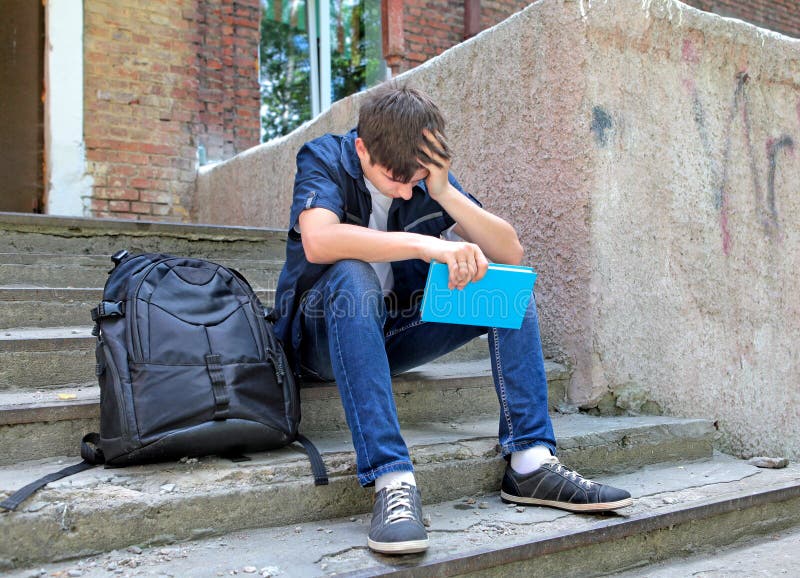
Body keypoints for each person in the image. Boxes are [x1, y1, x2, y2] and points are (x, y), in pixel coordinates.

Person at [273, 83, 632, 555]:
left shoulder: (425, 180)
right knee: (353, 274)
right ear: (362, 147)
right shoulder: (324, 157)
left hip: (389, 333)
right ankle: (391, 479)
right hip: (319, 337)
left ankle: (530, 462)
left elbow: (510, 251)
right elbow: (319, 240)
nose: (406, 190)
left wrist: (443, 190)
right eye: (394, 179)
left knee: (507, 290)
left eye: (416, 178)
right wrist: (428, 244)